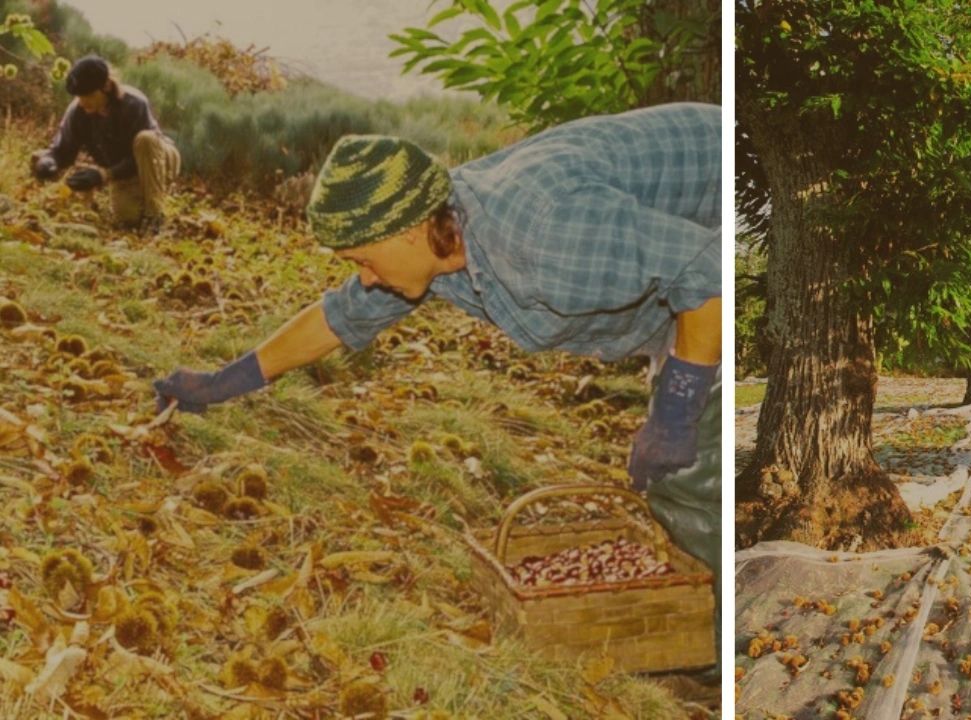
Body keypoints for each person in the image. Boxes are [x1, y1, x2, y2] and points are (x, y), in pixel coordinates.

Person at [153, 102, 722, 656]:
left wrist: (676, 408)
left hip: (723, 224)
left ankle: (713, 642)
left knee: (689, 468)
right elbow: (338, 316)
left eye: (363, 258)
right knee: (678, 461)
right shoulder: (439, 242)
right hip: (681, 280)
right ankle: (686, 614)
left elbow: (709, 272)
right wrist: (222, 383)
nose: (364, 276)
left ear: (407, 231)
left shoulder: (539, 237)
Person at [30, 55, 180, 234]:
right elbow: (63, 150)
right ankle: (143, 206)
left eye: (90, 95)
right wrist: (49, 162)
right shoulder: (78, 112)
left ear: (106, 86)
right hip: (124, 174)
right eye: (80, 97)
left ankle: (155, 215)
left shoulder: (134, 103)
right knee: (128, 218)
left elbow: (141, 154)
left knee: (145, 139)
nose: (84, 102)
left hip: (160, 159)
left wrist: (103, 175)